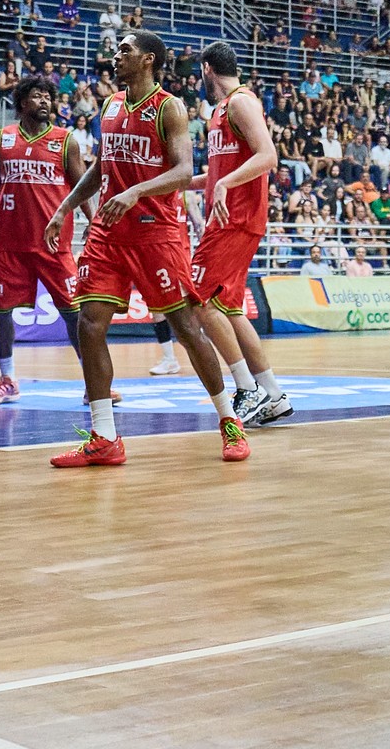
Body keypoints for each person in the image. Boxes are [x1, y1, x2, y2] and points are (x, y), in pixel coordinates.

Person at [46, 30, 248, 467]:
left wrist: (136, 191)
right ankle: (104, 436)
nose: (116, 56)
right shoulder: (111, 104)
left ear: (148, 59)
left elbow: (183, 171)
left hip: (157, 233)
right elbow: (102, 166)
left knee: (187, 329)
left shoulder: (168, 108)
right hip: (110, 231)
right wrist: (65, 207)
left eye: (125, 50)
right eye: (116, 50)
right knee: (90, 324)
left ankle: (229, 420)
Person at [185, 42, 291, 426]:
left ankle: (247, 388)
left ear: (207, 68)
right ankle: (273, 394)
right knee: (228, 308)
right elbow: (215, 176)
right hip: (231, 217)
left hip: (236, 218)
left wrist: (225, 184)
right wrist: (172, 184)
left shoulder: (241, 102)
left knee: (196, 299)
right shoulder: (220, 112)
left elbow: (268, 156)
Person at [0, 75, 85, 405]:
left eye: (49, 97)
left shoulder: (67, 141)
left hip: (53, 245)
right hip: (7, 243)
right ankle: (7, 379)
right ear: (22, 103)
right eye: (38, 96)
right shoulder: (2, 139)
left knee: (74, 313)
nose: (46, 102)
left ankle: (94, 380)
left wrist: (96, 225)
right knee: (0, 311)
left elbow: (83, 187)